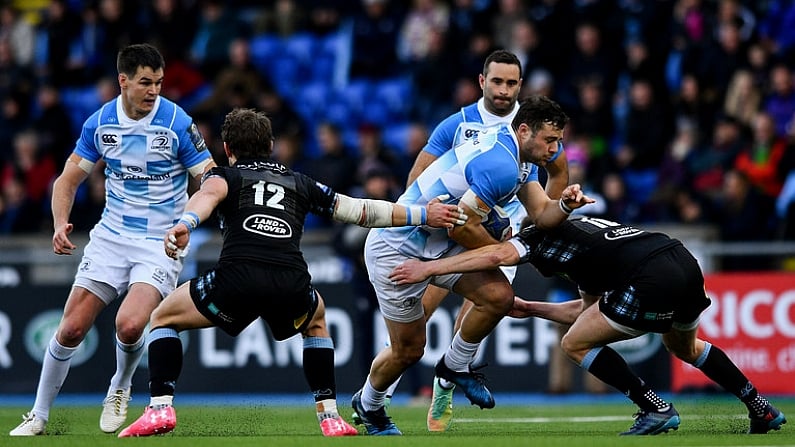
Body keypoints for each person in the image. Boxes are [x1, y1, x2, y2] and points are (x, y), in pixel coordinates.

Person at [116, 108, 468, 438]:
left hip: (238, 279)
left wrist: (185, 223)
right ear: (270, 147)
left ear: (226, 148)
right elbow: (362, 211)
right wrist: (424, 215)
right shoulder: (300, 182)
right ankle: (330, 416)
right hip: (291, 282)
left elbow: (207, 195)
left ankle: (160, 407)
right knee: (315, 319)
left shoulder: (226, 174)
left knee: (162, 317)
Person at [389, 215, 788, 436]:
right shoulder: (584, 237)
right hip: (681, 262)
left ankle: (656, 408)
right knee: (686, 347)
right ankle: (760, 407)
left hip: (649, 277)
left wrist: (429, 267)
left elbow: (498, 255)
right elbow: (588, 313)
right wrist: (530, 306)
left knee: (572, 346)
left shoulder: (539, 234)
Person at [352, 95, 593, 436]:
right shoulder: (501, 164)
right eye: (550, 140)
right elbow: (462, 226)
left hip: (441, 244)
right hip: (397, 249)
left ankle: (453, 366)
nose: (555, 149)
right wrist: (504, 249)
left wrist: (565, 206)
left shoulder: (519, 158)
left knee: (498, 296)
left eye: (559, 141)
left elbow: (541, 213)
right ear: (524, 130)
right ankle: (370, 403)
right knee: (408, 350)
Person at [9, 43, 217, 436]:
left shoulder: (176, 122)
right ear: (123, 81)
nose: (153, 90)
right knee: (70, 329)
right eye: (144, 82)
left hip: (160, 240)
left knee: (129, 325)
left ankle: (120, 386)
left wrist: (190, 220)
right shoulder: (100, 123)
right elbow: (67, 180)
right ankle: (38, 415)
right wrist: (59, 223)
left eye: (158, 82)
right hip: (111, 237)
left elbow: (209, 177)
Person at [402, 49, 569, 432]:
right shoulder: (457, 124)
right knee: (418, 313)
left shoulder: (534, 126)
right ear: (482, 81)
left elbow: (557, 170)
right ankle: (384, 391)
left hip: (500, 231)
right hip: (454, 225)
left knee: (478, 312)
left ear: (520, 86)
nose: (504, 90)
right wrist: (413, 219)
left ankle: (444, 383)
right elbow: (419, 176)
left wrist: (540, 220)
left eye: (511, 83)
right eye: (497, 81)